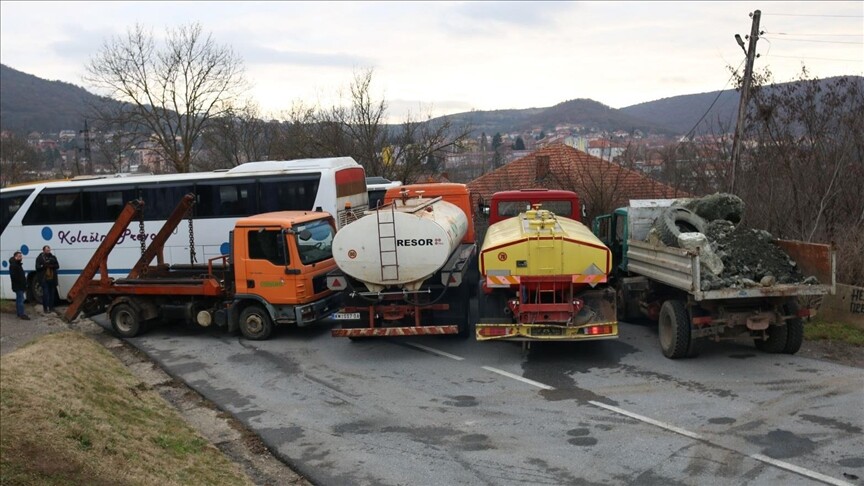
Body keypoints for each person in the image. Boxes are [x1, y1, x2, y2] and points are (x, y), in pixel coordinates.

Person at [34, 245, 59, 314]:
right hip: (44, 279)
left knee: (52, 294)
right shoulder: (40, 258)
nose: (48, 251)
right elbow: (37, 267)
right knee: (46, 294)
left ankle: (51, 307)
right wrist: (44, 266)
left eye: (49, 250)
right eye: (47, 250)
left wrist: (51, 265)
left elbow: (57, 266)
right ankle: (45, 308)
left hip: (52, 278)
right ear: (44, 250)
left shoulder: (53, 257)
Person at [9, 251, 29, 320]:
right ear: (15, 257)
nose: (21, 258)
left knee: (19, 299)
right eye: (19, 256)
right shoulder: (14, 265)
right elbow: (14, 276)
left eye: (21, 256)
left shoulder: (17, 264)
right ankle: (22, 314)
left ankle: (19, 313)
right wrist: (22, 282)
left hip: (19, 285)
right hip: (18, 286)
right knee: (21, 300)